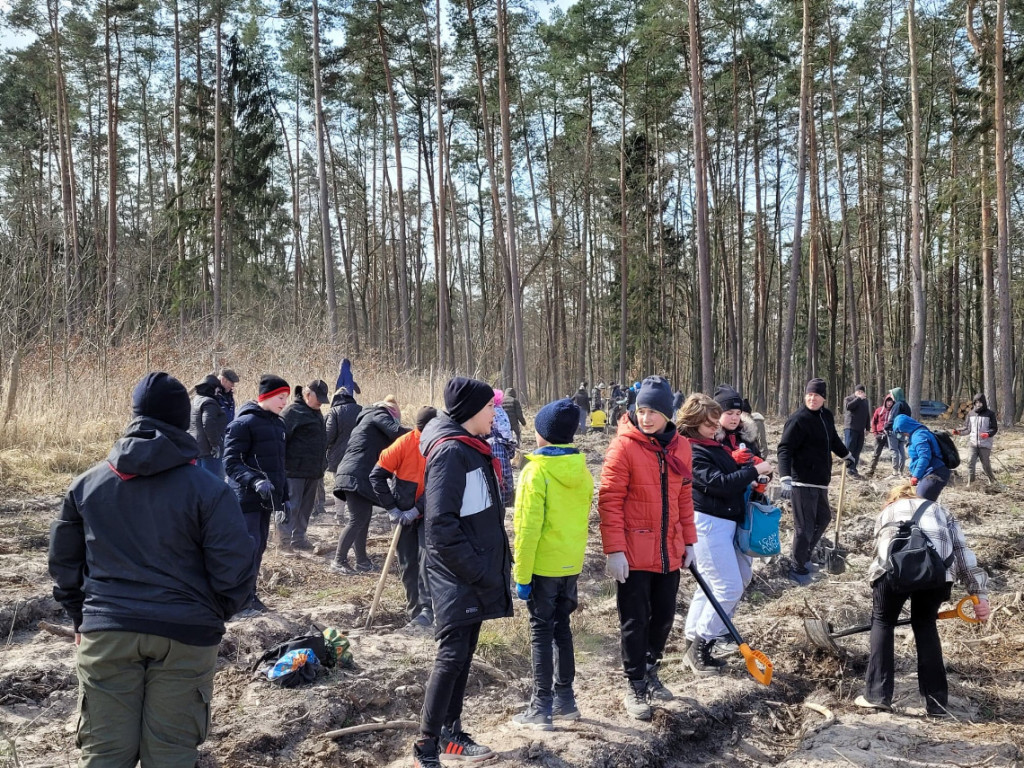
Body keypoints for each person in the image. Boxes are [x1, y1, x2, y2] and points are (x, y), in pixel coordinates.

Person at [49, 372, 256, 767]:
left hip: (108, 631)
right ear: (182, 421)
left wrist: (83, 617)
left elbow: (63, 564)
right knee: (171, 754)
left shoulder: (86, 484)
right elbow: (235, 567)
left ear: (134, 416)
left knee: (105, 754)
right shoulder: (210, 489)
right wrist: (211, 614)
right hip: (185, 634)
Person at [412, 377, 512, 768]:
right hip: (457, 572)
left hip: (472, 570)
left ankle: (452, 735)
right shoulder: (452, 453)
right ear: (472, 411)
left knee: (464, 654)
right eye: (491, 408)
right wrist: (477, 570)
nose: (495, 414)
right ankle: (425, 746)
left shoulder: (471, 448)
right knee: (451, 655)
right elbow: (440, 526)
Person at [599, 376, 696, 720]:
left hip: (669, 550)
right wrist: (614, 550)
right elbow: (609, 500)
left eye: (653, 410)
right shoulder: (624, 446)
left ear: (668, 413)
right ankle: (635, 682)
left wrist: (689, 541)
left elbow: (684, 497)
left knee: (664, 617)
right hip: (633, 551)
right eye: (641, 410)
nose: (646, 417)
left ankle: (652, 669)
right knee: (634, 620)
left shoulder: (681, 447)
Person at [855, 483, 990, 715]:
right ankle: (936, 703)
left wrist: (876, 584)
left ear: (892, 499)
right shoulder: (941, 510)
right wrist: (979, 595)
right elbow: (962, 552)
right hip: (937, 573)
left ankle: (877, 696)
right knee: (925, 625)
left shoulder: (887, 511)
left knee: (883, 621)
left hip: (892, 572)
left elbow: (879, 552)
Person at [511, 398, 593, 730]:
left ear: (542, 433)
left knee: (541, 632)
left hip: (542, 567)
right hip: (570, 565)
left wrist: (521, 575)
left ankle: (540, 708)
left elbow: (527, 530)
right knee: (563, 629)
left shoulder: (535, 472)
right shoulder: (583, 470)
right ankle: (566, 701)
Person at [681, 394, 773, 675]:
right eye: (709, 423)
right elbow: (718, 484)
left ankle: (692, 641)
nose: (716, 427)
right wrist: (753, 470)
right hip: (708, 522)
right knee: (727, 586)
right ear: (695, 422)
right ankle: (702, 646)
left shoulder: (712, 444)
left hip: (727, 520)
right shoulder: (692, 449)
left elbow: (732, 474)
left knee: (722, 583)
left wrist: (753, 475)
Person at [777, 378, 855, 586]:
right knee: (804, 527)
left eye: (817, 395)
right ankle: (797, 567)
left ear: (824, 398)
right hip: (801, 482)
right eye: (809, 395)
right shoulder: (798, 419)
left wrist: (846, 454)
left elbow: (834, 439)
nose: (812, 398)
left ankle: (805, 556)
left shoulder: (826, 416)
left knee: (824, 518)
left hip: (820, 482)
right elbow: (784, 449)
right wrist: (785, 477)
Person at [223, 373, 290, 614]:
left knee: (259, 547)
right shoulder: (243, 423)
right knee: (246, 549)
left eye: (286, 398)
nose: (284, 402)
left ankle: (251, 596)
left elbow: (280, 466)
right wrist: (254, 482)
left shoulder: (278, 424)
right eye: (280, 397)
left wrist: (285, 498)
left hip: (267, 499)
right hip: (246, 498)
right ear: (267, 396)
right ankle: (238, 601)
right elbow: (230, 462)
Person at [369, 406, 438, 628]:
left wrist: (416, 510)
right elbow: (377, 477)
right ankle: (415, 611)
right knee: (407, 562)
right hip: (402, 509)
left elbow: (437, 486)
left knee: (426, 558)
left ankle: (428, 609)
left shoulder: (439, 447)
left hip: (427, 511)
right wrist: (392, 509)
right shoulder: (403, 444)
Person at [331, 395, 406, 574]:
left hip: (355, 472)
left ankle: (362, 562)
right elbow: (398, 433)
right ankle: (338, 561)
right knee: (357, 519)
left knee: (363, 518)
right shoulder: (378, 414)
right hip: (356, 473)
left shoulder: (368, 420)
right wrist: (421, 432)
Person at [278, 380, 329, 551]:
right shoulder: (292, 412)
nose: (321, 402)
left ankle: (298, 538)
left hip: (313, 471)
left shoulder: (316, 412)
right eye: (318, 398)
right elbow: (280, 440)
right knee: (291, 507)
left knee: (305, 508)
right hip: (293, 471)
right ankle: (284, 541)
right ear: (307, 395)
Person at [893, 414, 950, 501]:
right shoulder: (917, 433)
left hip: (935, 473)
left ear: (906, 427)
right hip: (928, 473)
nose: (903, 434)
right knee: (920, 501)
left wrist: (916, 476)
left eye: (902, 432)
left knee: (922, 502)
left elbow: (924, 457)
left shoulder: (919, 436)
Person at [325, 386, 362, 518]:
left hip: (338, 456)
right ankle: (355, 514)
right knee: (356, 484)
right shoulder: (361, 410)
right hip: (357, 454)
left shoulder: (334, 411)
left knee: (339, 486)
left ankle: (340, 515)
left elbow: (329, 434)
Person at [952, 393, 998, 486]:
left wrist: (988, 434)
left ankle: (992, 481)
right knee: (970, 463)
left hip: (985, 444)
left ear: (983, 403)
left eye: (980, 402)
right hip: (973, 444)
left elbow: (994, 428)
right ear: (974, 403)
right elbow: (967, 429)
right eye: (976, 402)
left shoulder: (990, 414)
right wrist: (958, 432)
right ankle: (971, 483)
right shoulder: (970, 413)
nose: (978, 404)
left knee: (985, 465)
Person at [189, 373, 228, 478]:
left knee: (201, 481)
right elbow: (208, 423)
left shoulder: (195, 400)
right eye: (217, 389)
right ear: (212, 388)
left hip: (197, 448)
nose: (218, 392)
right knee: (214, 481)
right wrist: (215, 445)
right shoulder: (209, 402)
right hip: (209, 450)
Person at [713, 385, 762, 456]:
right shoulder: (711, 437)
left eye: (738, 414)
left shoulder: (746, 436)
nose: (734, 418)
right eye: (729, 413)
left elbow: (759, 459)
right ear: (717, 414)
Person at [490, 389, 517, 506]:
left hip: (498, 440)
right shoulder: (502, 411)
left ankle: (504, 497)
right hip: (506, 440)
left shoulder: (492, 412)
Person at [843, 385, 870, 477]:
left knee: (858, 450)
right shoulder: (849, 399)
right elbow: (848, 407)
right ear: (855, 392)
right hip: (850, 427)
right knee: (850, 448)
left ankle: (853, 468)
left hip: (860, 429)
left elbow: (867, 414)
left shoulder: (865, 401)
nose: (860, 394)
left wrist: (868, 428)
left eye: (862, 392)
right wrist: (858, 399)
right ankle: (847, 468)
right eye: (859, 392)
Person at [884, 387, 912, 476]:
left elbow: (893, 419)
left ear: (896, 395)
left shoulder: (897, 405)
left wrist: (886, 427)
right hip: (903, 432)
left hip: (894, 431)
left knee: (894, 451)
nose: (891, 396)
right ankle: (901, 471)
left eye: (892, 394)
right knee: (901, 451)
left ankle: (895, 472)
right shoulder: (907, 406)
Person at [867, 393, 895, 477]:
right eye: (888, 401)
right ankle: (871, 470)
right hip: (879, 435)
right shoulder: (879, 410)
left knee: (894, 453)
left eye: (891, 402)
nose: (889, 403)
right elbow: (873, 422)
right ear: (885, 401)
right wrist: (875, 433)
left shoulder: (893, 412)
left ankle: (895, 472)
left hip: (890, 435)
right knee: (876, 454)